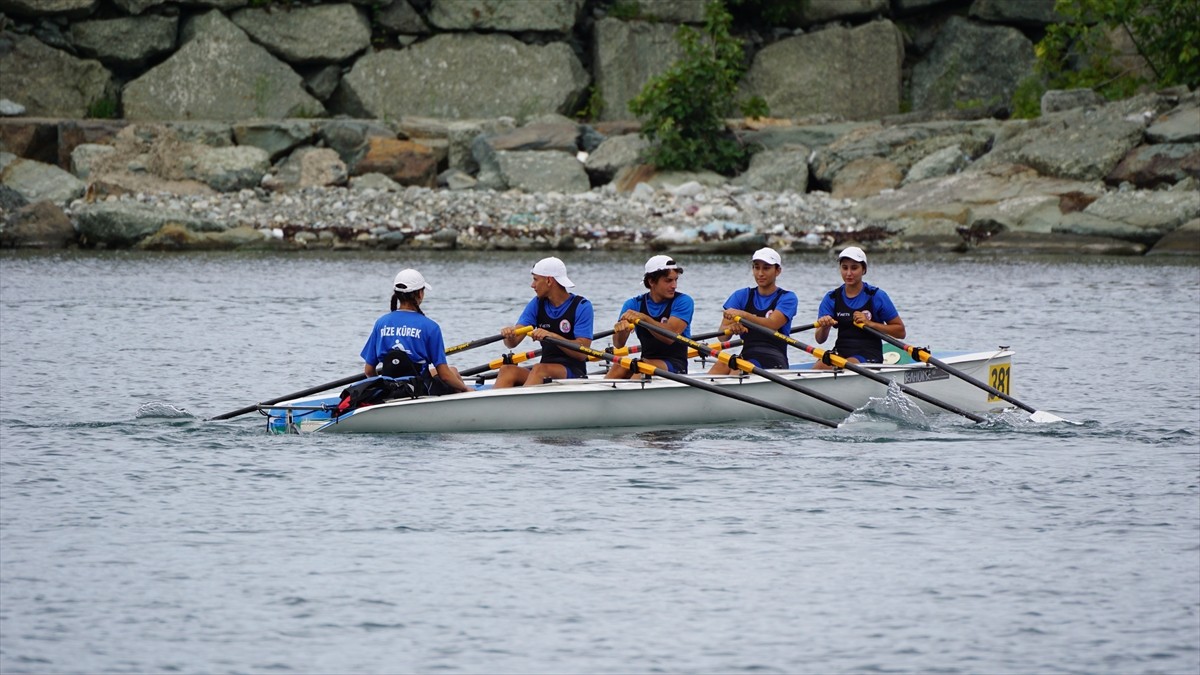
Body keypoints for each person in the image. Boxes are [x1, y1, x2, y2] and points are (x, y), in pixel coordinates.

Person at [359, 268, 472, 394]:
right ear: (420, 294)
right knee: (453, 373)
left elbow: (369, 371)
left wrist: (382, 390)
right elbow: (445, 375)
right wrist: (466, 389)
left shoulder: (380, 323)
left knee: (450, 372)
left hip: (390, 389)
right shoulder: (430, 327)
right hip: (419, 390)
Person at [494, 257, 594, 387]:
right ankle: (492, 400)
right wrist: (509, 335)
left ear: (548, 280)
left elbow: (582, 353)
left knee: (539, 369)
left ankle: (520, 399)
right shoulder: (537, 303)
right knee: (507, 370)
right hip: (544, 369)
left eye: (535, 279)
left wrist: (551, 336)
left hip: (573, 371)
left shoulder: (582, 306)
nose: (532, 285)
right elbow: (512, 343)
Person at [708, 247, 798, 373]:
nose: (760, 273)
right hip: (747, 356)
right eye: (756, 267)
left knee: (738, 368)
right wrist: (732, 328)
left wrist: (744, 316)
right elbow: (722, 337)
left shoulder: (787, 298)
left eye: (766, 268)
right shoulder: (741, 296)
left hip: (774, 360)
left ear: (777, 271)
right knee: (721, 363)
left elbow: (773, 324)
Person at [813, 246, 906, 369]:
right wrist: (825, 327)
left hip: (869, 354)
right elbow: (819, 340)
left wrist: (870, 324)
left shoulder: (876, 296)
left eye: (854, 268)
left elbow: (900, 332)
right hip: (841, 353)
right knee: (819, 367)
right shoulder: (832, 298)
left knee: (847, 366)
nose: (848, 273)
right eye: (844, 268)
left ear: (864, 270)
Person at [606, 254, 694, 378]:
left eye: (676, 280)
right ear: (651, 281)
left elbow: (670, 337)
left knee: (641, 367)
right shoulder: (633, 304)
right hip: (645, 362)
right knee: (619, 365)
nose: (674, 285)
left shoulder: (683, 301)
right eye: (668, 280)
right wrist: (622, 330)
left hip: (675, 366)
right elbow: (618, 344)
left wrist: (644, 318)